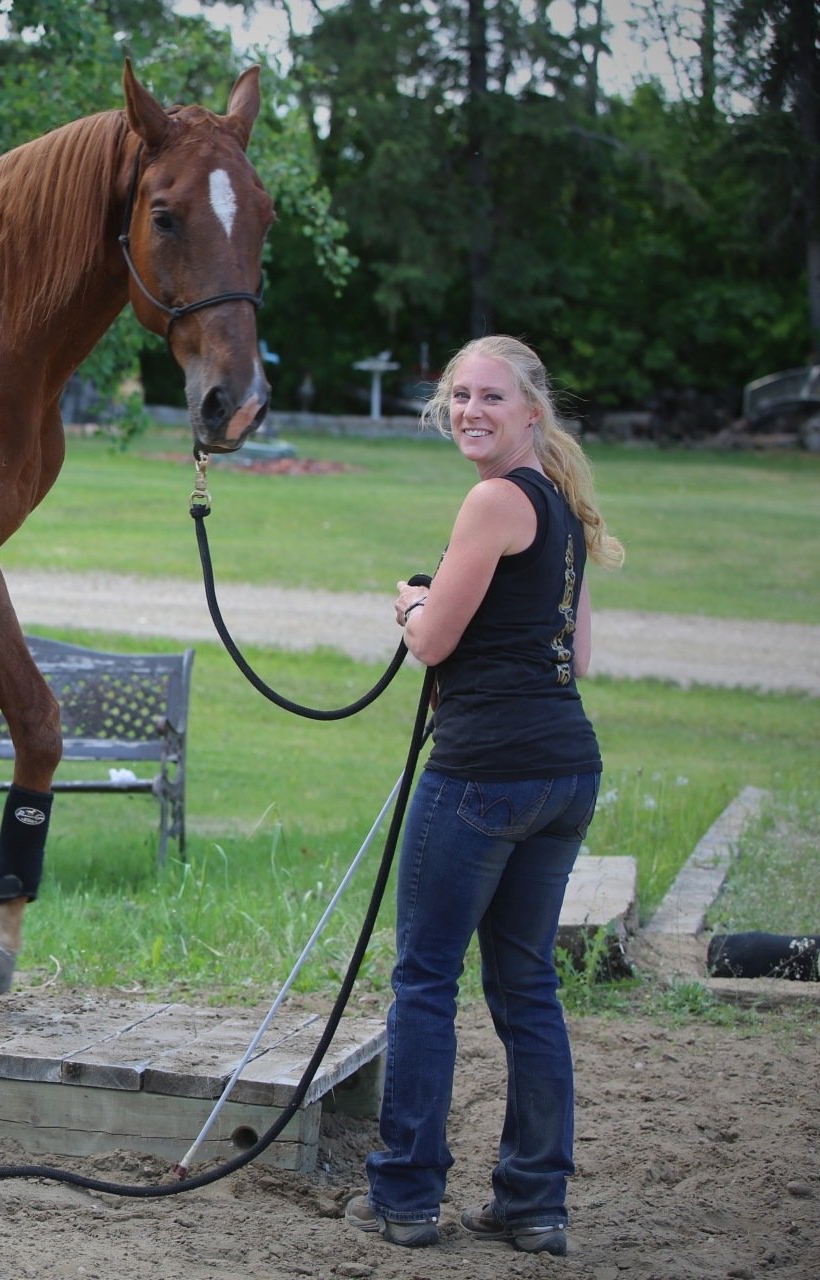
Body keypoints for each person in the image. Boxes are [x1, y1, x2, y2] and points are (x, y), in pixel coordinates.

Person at [345, 335, 624, 1257]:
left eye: (491, 397)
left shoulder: (495, 500)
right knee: (527, 986)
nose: (470, 410)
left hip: (483, 775)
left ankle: (407, 1194)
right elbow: (578, 656)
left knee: (425, 979)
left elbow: (432, 643)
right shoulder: (564, 507)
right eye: (459, 395)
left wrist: (409, 603)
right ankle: (535, 1204)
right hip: (565, 770)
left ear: (532, 411)